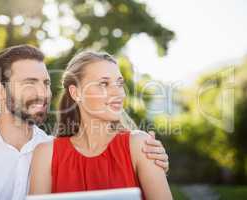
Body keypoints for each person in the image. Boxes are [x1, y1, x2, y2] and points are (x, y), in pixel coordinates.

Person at [0, 45, 169, 200]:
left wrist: (153, 163)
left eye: (45, 83)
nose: (43, 93)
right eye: (30, 82)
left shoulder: (45, 147)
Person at [29, 51, 173, 200]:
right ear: (76, 92)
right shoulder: (45, 154)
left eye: (119, 83)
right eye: (104, 83)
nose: (119, 93)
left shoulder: (140, 145)